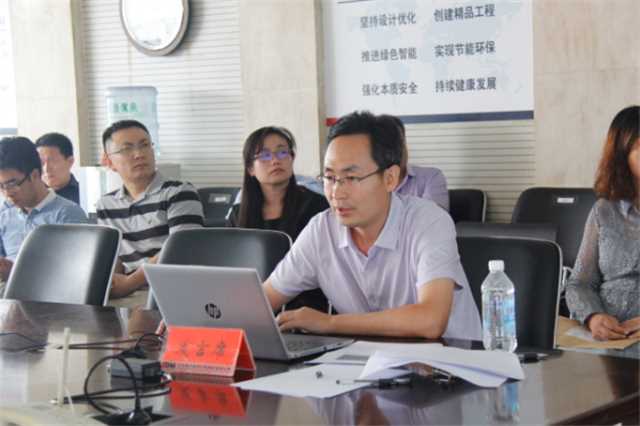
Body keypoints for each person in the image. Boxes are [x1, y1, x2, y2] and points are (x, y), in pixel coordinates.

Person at [262, 111, 481, 340]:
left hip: (450, 357)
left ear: (390, 178)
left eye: (351, 178)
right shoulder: (321, 230)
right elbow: (264, 298)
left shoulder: (429, 221)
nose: (337, 192)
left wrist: (329, 323)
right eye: (330, 178)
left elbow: (430, 320)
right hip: (367, 358)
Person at [97, 120, 204, 298]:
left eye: (145, 145)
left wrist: (129, 283)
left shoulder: (179, 192)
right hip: (129, 295)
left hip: (173, 291)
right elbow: (114, 258)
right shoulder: (106, 204)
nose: (139, 154)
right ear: (109, 162)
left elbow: (182, 250)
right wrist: (112, 284)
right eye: (127, 149)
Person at [228, 126, 330, 311]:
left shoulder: (317, 207)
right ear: (250, 168)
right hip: (251, 305)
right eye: (265, 155)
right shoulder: (238, 214)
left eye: (282, 152)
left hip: (305, 309)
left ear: (292, 158)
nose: (275, 160)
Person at [565, 105, 640, 341]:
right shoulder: (604, 211)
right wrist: (593, 317)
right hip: (609, 340)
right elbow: (579, 283)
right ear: (622, 157)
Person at [0, 136, 87, 283]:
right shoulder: (5, 215)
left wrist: (16, 273)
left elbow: (75, 275)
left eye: (12, 184)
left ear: (34, 175)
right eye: (1, 186)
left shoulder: (67, 215)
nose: (7, 193)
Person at [380, 114, 450, 211]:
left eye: (401, 143)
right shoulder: (368, 183)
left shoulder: (431, 177)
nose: (397, 151)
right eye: (389, 146)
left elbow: (433, 218)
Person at [34, 132, 79, 204]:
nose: (46, 169)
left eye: (53, 161)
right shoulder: (31, 196)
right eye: (41, 162)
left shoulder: (85, 194)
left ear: (70, 161)